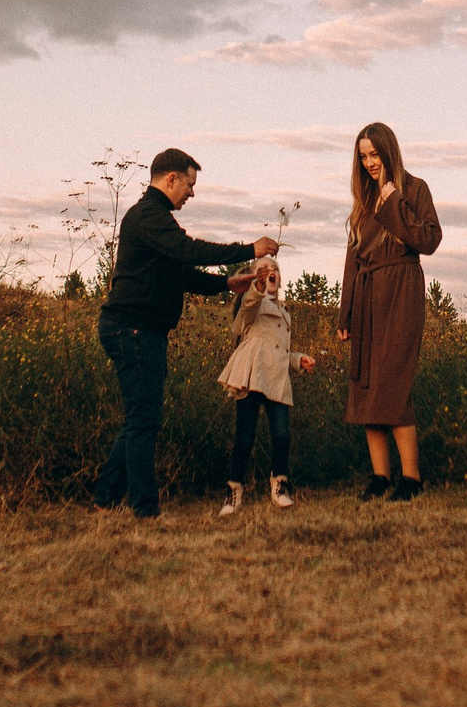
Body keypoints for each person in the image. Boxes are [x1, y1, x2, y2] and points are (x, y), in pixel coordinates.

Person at [92, 148, 278, 519]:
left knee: (139, 418)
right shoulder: (148, 216)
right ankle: (145, 510)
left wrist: (227, 283)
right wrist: (247, 248)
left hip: (139, 329)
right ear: (171, 178)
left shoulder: (155, 218)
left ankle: (106, 497)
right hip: (133, 328)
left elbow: (180, 272)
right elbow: (187, 251)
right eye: (189, 185)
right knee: (144, 420)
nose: (191, 194)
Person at [337, 122, 440, 502]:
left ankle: (411, 478)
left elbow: (429, 240)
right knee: (366, 384)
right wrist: (345, 313)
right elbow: (352, 262)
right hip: (366, 295)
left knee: (394, 382)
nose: (368, 163)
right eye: (362, 157)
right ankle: (380, 476)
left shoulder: (415, 189)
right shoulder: (361, 204)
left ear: (388, 151)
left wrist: (394, 202)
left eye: (374, 155)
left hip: (401, 289)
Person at [216, 258, 317, 515]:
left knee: (282, 434)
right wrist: (256, 288)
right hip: (252, 373)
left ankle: (280, 486)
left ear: (281, 279)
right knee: (245, 436)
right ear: (255, 278)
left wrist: (297, 360)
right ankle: (233, 491)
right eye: (264, 270)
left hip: (276, 376)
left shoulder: (284, 311)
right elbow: (244, 318)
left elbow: (279, 348)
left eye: (276, 270)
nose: (272, 273)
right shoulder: (252, 302)